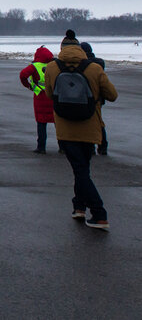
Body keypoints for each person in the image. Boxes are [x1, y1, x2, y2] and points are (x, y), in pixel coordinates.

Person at [45, 30, 118, 230]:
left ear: (61, 49)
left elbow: (50, 94)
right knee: (82, 168)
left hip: (66, 130)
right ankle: (79, 207)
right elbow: (112, 95)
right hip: (90, 128)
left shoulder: (52, 67)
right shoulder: (94, 68)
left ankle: (99, 213)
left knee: (80, 170)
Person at [19, 46, 56, 154]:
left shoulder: (34, 66)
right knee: (57, 122)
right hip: (53, 96)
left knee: (41, 122)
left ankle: (41, 147)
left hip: (40, 96)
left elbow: (23, 75)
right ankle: (62, 147)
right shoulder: (54, 65)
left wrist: (30, 86)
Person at [81, 42, 109, 156]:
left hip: (87, 98)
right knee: (99, 122)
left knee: (88, 123)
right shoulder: (99, 63)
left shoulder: (84, 64)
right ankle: (102, 147)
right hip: (98, 98)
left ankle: (91, 146)